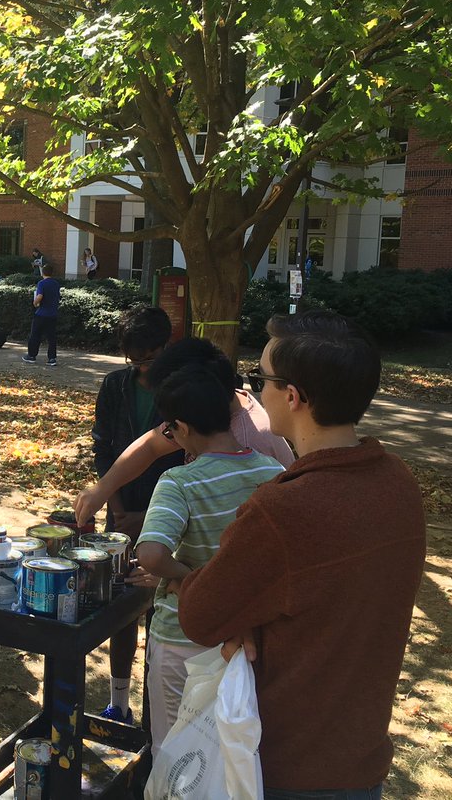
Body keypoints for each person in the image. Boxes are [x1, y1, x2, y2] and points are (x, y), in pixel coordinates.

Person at [177, 311, 426, 799]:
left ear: (292, 396)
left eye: (260, 378)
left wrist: (240, 615)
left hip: (288, 769)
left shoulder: (283, 508)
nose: (254, 390)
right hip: (360, 761)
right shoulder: (398, 482)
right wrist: (250, 616)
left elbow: (198, 614)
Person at [131, 365, 284, 748]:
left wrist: (191, 580)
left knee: (175, 757)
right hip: (247, 639)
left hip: (182, 637)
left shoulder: (179, 481)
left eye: (169, 431)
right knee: (227, 757)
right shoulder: (274, 472)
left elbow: (151, 554)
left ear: (182, 427)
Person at [74, 336, 295, 527]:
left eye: (172, 426)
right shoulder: (209, 410)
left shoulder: (249, 444)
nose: (168, 429)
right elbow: (151, 445)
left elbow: (236, 540)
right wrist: (102, 489)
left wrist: (178, 574)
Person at [92, 306, 184, 724]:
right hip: (122, 516)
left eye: (149, 359)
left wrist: (149, 515)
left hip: (171, 521)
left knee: (160, 610)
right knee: (121, 608)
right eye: (134, 361)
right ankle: (119, 700)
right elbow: (105, 451)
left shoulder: (184, 392)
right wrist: (117, 508)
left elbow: (187, 464)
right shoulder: (114, 386)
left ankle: (155, 714)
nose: (142, 370)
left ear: (168, 346)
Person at [22, 262, 60, 366]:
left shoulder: (42, 283)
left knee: (35, 335)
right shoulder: (56, 284)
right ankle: (52, 358)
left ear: (43, 272)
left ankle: (32, 355)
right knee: (51, 337)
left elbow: (39, 296)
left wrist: (35, 303)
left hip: (42, 313)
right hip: (53, 314)